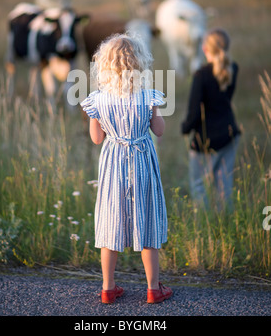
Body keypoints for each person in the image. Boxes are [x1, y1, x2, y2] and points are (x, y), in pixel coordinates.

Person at [80, 34, 173, 304]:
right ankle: (153, 288)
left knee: (111, 221)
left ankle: (108, 288)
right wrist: (152, 113)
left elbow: (97, 139)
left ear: (105, 65)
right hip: (142, 160)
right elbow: (159, 131)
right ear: (139, 64)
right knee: (147, 220)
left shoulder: (97, 99)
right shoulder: (147, 96)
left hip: (113, 163)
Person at [181, 28, 240, 210]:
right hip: (229, 133)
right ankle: (227, 222)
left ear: (205, 49)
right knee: (225, 185)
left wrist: (185, 128)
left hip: (204, 139)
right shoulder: (233, 68)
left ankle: (203, 226)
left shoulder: (201, 75)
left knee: (199, 186)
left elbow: (194, 112)